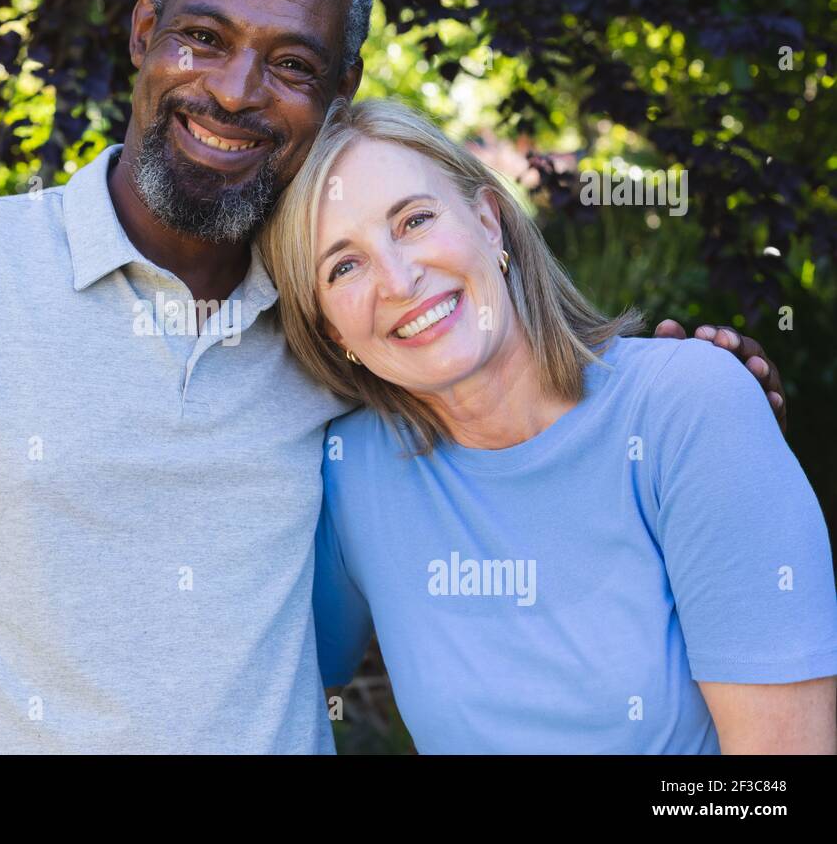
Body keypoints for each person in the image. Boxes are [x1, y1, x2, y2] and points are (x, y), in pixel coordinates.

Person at [0, 0, 787, 754]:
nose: (233, 91)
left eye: (289, 63)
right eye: (203, 38)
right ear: (146, 33)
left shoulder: (348, 325)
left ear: (337, 92)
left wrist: (694, 390)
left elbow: (532, 434)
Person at [257, 97, 836, 753]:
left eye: (415, 220)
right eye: (344, 265)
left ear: (488, 222)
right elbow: (261, 703)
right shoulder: (351, 473)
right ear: (333, 332)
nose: (398, 279)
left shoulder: (691, 407)